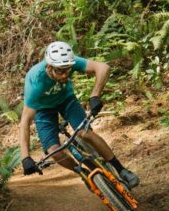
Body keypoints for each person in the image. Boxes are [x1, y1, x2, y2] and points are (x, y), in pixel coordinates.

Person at [18, 40, 140, 188]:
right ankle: (84, 174)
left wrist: (95, 95)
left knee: (86, 133)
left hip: (66, 99)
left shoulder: (68, 62)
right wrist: (25, 157)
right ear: (49, 67)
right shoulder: (36, 83)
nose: (65, 75)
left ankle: (121, 170)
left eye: (68, 70)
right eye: (60, 71)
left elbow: (103, 68)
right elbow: (25, 121)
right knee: (55, 152)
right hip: (43, 109)